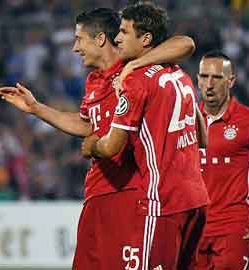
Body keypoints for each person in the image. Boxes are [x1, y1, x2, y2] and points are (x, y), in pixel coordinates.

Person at [0, 7, 197, 270]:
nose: (74, 48)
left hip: (131, 194)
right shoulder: (94, 81)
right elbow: (86, 124)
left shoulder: (135, 70)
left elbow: (184, 43)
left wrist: (136, 64)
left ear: (100, 39)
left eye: (79, 39)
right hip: (97, 194)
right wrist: (37, 109)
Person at [82, 4, 209, 270]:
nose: (118, 38)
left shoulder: (136, 80)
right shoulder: (178, 74)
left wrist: (93, 144)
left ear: (146, 38)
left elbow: (113, 146)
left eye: (125, 32)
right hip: (197, 199)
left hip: (164, 200)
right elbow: (203, 137)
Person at [194, 51, 249, 270]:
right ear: (197, 79)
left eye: (216, 78)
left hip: (232, 227)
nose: (209, 84)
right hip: (192, 228)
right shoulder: (184, 118)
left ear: (231, 81)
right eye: (204, 77)